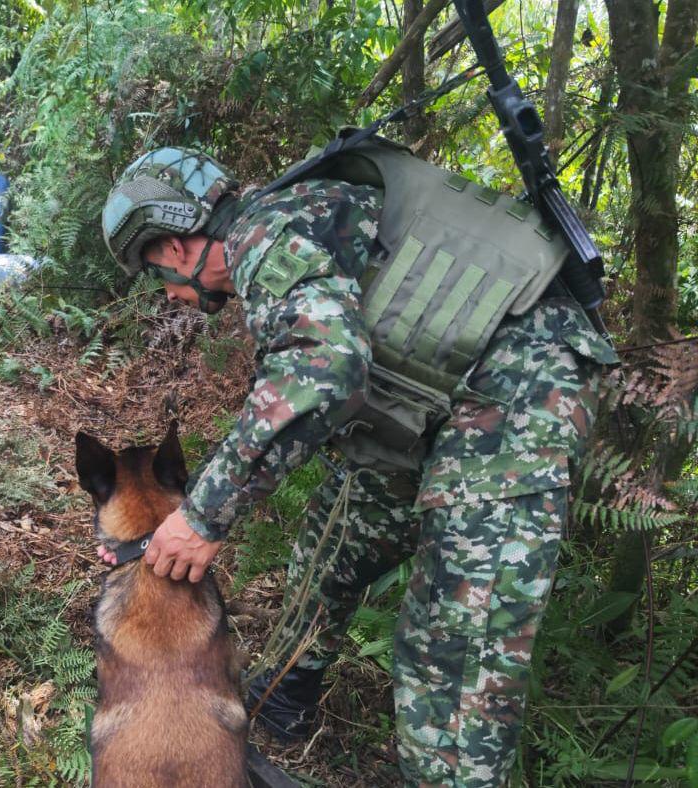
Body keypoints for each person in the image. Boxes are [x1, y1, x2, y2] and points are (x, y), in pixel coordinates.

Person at [99, 144, 617, 787]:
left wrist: (203, 516)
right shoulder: (288, 222)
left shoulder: (266, 236)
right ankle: (282, 702)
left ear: (177, 246)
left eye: (157, 273)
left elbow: (323, 372)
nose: (171, 295)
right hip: (448, 398)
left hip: (519, 404)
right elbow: (317, 382)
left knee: (451, 658)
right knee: (339, 532)